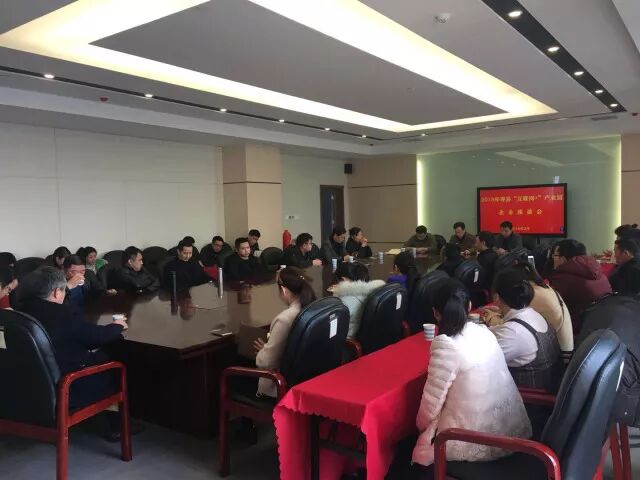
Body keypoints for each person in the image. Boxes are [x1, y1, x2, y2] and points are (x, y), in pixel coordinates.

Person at [410, 280, 531, 469]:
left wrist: (419, 428)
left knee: (409, 448)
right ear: (469, 306)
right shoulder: (484, 332)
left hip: (475, 441)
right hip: (511, 433)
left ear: (435, 313)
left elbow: (431, 404)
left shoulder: (446, 344)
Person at [19, 267, 127, 409]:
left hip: (29, 388)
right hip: (68, 387)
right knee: (115, 357)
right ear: (57, 292)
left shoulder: (19, 311)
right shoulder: (61, 314)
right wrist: (117, 326)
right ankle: (118, 418)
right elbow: (95, 338)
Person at [489, 268, 564, 392]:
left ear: (496, 297)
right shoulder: (533, 314)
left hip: (529, 397)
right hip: (551, 384)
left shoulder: (513, 333)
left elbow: (482, 362)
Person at [482, 262, 573, 359]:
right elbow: (519, 315)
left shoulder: (535, 294)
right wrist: (500, 310)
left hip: (561, 353)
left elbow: (517, 326)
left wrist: (492, 318)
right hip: (555, 351)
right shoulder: (542, 289)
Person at [253, 267, 316, 397]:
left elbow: (265, 362)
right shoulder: (314, 307)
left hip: (279, 386)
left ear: (283, 290)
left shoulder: (284, 319)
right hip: (308, 380)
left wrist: (263, 351)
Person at [547, 239, 611, 333]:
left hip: (576, 330)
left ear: (563, 259)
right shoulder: (597, 270)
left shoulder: (563, 278)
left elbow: (550, 303)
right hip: (601, 326)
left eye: (555, 255)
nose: (552, 258)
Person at [331, 263, 385, 338]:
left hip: (350, 339)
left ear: (343, 279)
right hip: (373, 335)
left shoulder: (343, 302)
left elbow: (333, 330)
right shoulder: (375, 291)